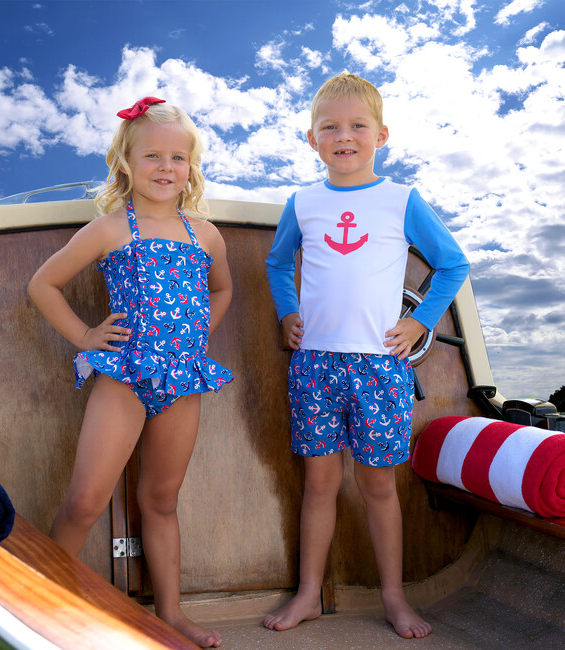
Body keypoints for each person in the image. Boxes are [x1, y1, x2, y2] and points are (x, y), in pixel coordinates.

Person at [263, 73, 469, 639]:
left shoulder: (400, 200)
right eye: (330, 126)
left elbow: (453, 264)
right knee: (320, 484)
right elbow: (279, 264)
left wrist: (417, 320)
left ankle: (395, 598)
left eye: (357, 125)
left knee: (379, 486)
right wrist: (287, 313)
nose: (344, 135)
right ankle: (308, 594)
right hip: (315, 365)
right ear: (311, 138)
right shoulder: (302, 203)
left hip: (379, 367)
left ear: (382, 134)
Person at [28, 97, 233, 648]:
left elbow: (223, 287)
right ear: (125, 161)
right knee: (86, 500)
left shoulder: (205, 235)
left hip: (184, 380)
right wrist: (86, 336)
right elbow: (43, 285)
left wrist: (199, 330)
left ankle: (171, 614)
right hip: (124, 376)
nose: (166, 168)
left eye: (178, 157)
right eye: (152, 156)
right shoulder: (111, 228)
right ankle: (35, 604)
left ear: (191, 165)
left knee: (162, 501)